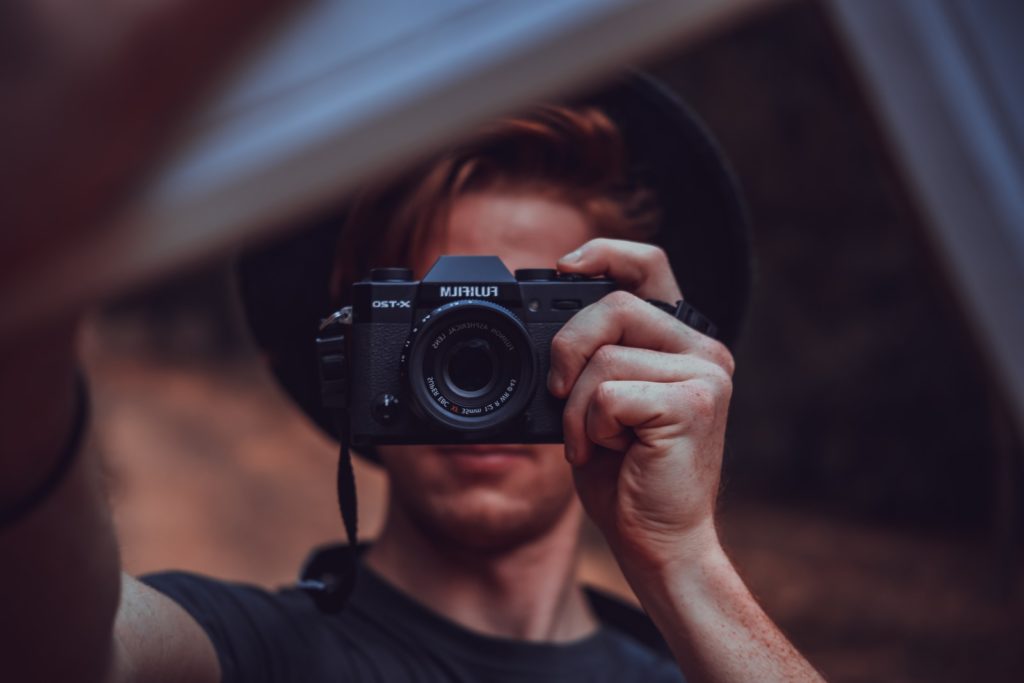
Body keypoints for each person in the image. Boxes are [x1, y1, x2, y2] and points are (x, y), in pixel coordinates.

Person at [0, 51, 823, 682]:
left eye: (529, 319)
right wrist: (31, 318)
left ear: (632, 343)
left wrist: (685, 560)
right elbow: (67, 651)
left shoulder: (703, 658)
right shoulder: (255, 651)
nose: (477, 357)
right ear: (360, 355)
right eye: (441, 320)